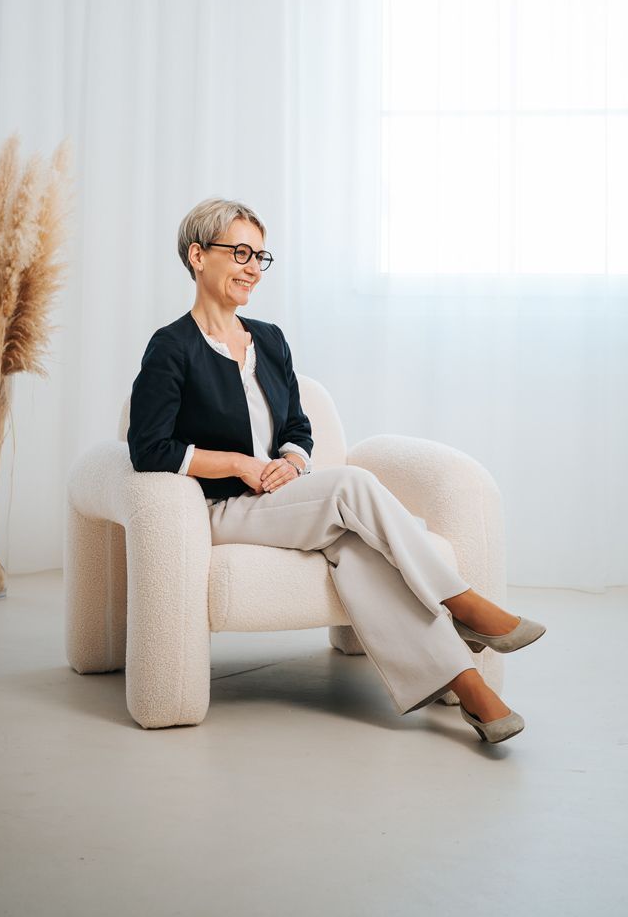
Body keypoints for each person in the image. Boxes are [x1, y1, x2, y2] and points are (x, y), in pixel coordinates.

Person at [127, 197, 546, 744]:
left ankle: (469, 687)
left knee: (358, 554)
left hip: (283, 502)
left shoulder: (270, 341)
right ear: (198, 256)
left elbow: (299, 427)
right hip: (220, 509)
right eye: (242, 253)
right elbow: (148, 448)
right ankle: (459, 601)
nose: (254, 267)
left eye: (262, 256)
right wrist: (238, 464)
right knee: (350, 484)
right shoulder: (170, 348)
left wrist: (294, 460)